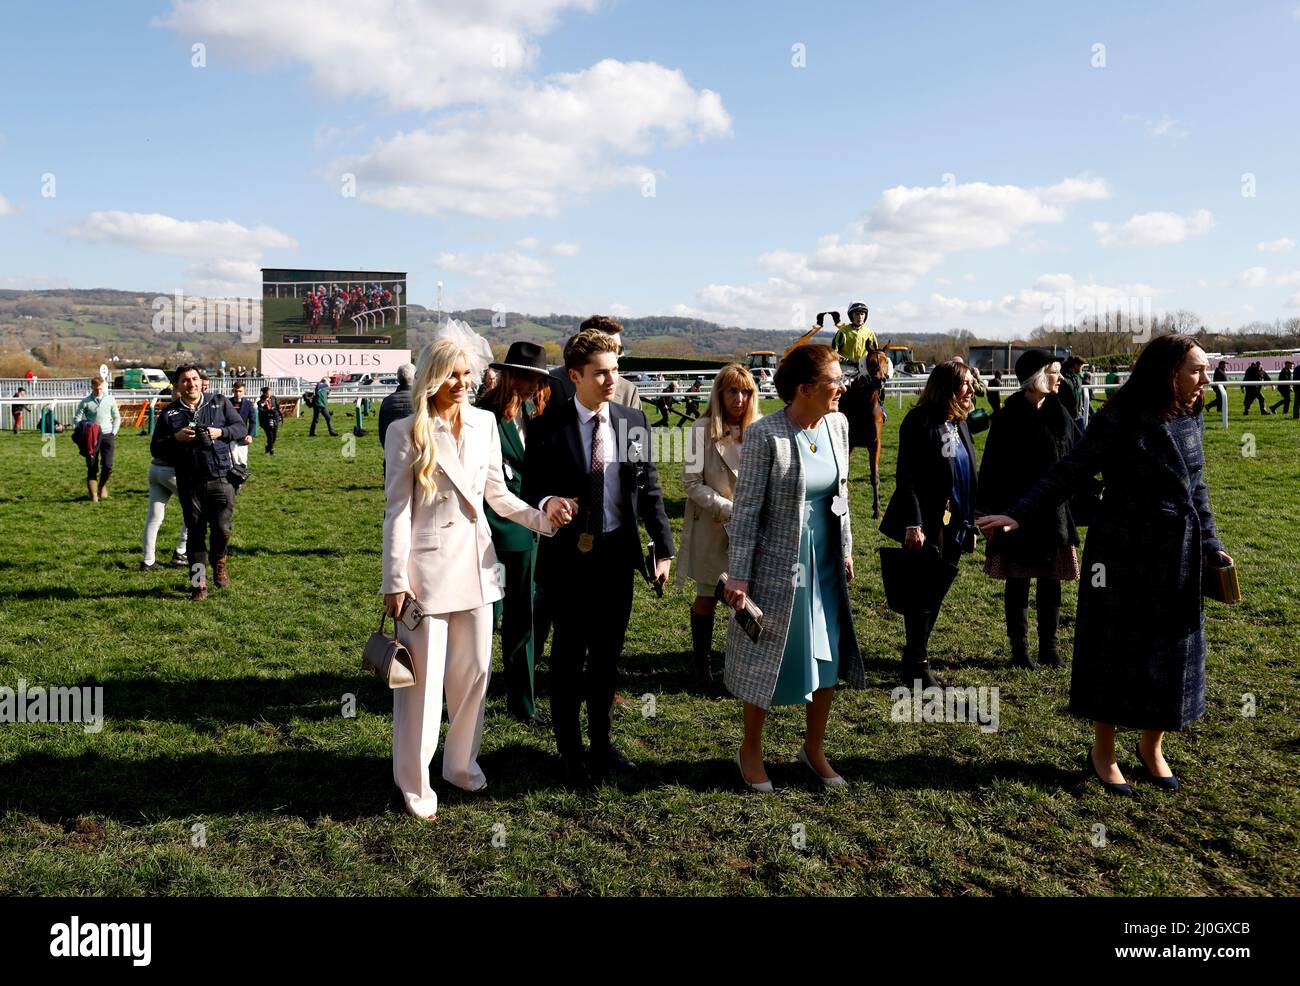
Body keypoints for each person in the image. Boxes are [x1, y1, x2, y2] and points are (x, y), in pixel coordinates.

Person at [977, 335, 1232, 796]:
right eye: (1196, 370)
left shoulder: (1190, 416)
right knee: (1116, 652)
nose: (1205, 379)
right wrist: (1020, 512)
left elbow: (1197, 487)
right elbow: (1069, 472)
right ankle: (1104, 752)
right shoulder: (1119, 417)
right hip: (1124, 554)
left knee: (1173, 653)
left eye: (1204, 370)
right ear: (1168, 372)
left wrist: (1211, 544)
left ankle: (1152, 747)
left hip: (1179, 550)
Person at [382, 340, 563, 820]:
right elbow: (397, 512)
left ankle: (460, 766)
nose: (462, 383)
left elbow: (497, 494)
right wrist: (395, 580)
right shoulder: (405, 431)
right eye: (451, 375)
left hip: (479, 569)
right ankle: (415, 784)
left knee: (476, 674)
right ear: (431, 377)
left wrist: (543, 516)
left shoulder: (484, 424)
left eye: (467, 374)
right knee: (421, 687)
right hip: (425, 576)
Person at [523, 328, 673, 786]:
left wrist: (663, 547)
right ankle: (570, 752)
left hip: (615, 556)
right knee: (568, 658)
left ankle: (602, 746)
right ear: (575, 375)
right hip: (567, 558)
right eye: (601, 373)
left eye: (616, 370)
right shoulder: (548, 425)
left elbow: (648, 487)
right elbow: (529, 489)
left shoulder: (632, 421)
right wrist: (549, 501)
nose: (612, 380)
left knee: (607, 658)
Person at [722, 345, 862, 791]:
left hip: (825, 565)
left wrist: (846, 548)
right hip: (778, 565)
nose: (843, 386)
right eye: (834, 380)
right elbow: (744, 512)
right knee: (766, 655)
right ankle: (751, 750)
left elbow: (841, 493)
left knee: (829, 653)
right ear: (804, 389)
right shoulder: (767, 434)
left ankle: (814, 748)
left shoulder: (839, 424)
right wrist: (740, 576)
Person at [976, 351, 1081, 669]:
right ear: (1036, 376)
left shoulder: (1059, 412)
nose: (1060, 377)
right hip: (1016, 516)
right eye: (1054, 371)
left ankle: (1049, 648)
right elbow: (991, 468)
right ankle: (1020, 651)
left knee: (1051, 581)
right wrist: (988, 512)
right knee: (1018, 581)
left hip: (1055, 513)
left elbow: (1078, 455)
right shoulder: (1008, 418)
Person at [879, 360, 979, 688]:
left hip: (956, 522)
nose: (971, 388)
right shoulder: (919, 422)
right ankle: (917, 665)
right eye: (965, 383)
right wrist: (913, 523)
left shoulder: (959, 422)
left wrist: (971, 523)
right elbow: (906, 477)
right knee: (922, 594)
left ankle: (914, 656)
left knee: (936, 592)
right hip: (927, 523)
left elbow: (967, 475)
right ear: (947, 386)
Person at [481, 342, 552, 724]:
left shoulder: (534, 412)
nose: (532, 385)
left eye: (538, 379)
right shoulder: (483, 414)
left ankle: (522, 706)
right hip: (490, 529)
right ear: (509, 375)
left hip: (526, 530)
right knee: (486, 619)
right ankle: (463, 693)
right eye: (526, 377)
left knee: (522, 620)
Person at [678, 364, 760, 688]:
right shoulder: (702, 430)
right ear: (720, 393)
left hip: (750, 531)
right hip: (713, 528)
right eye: (732, 391)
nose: (739, 398)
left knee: (746, 600)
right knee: (708, 596)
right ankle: (702, 667)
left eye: (745, 392)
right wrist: (729, 508)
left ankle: (740, 667)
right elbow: (691, 483)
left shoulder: (758, 432)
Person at [151, 365, 246, 600]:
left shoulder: (219, 402)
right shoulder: (169, 413)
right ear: (178, 386)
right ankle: (198, 585)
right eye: (185, 380)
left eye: (194, 379)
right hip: (189, 481)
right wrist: (176, 438)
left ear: (200, 382)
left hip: (221, 476)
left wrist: (220, 432)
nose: (191, 384)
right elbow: (156, 448)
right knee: (195, 534)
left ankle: (219, 561)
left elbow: (240, 428)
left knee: (222, 530)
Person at [543, 315, 641, 414]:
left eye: (618, 349)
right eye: (603, 346)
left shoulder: (628, 391)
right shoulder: (548, 383)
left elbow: (635, 428)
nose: (613, 354)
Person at [140, 443, 191, 572]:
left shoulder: (163, 421)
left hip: (155, 467)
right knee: (197, 510)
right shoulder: (187, 421)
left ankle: (148, 561)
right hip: (173, 470)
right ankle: (181, 551)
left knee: (154, 518)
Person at [75, 376, 121, 502]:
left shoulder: (110, 399)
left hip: (107, 435)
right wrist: (84, 429)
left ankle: (101, 487)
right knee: (92, 466)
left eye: (100, 388)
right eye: (96, 389)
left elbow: (117, 417)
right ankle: (93, 495)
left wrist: (114, 432)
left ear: (103, 387)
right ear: (92, 388)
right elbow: (77, 419)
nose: (98, 391)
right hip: (91, 438)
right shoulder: (85, 401)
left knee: (108, 466)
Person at [378, 363, 415, 451]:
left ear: (398, 379)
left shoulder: (386, 401)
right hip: (417, 455)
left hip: (393, 452)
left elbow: (382, 432)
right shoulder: (423, 400)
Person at [229, 382, 255, 472]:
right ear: (233, 390)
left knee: (242, 462)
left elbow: (253, 422)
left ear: (244, 391)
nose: (238, 393)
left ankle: (240, 482)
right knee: (231, 462)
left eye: (240, 391)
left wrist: (250, 435)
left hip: (243, 438)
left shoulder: (248, 404)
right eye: (236, 391)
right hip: (229, 437)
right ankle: (231, 484)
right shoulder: (227, 403)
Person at [256, 386, 283, 455]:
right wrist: (268, 411)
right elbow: (261, 410)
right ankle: (271, 451)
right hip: (266, 421)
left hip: (275, 419)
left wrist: (279, 414)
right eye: (268, 393)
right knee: (270, 435)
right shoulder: (260, 402)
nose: (269, 394)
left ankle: (268, 447)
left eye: (270, 392)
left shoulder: (273, 398)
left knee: (274, 436)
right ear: (264, 393)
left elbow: (277, 406)